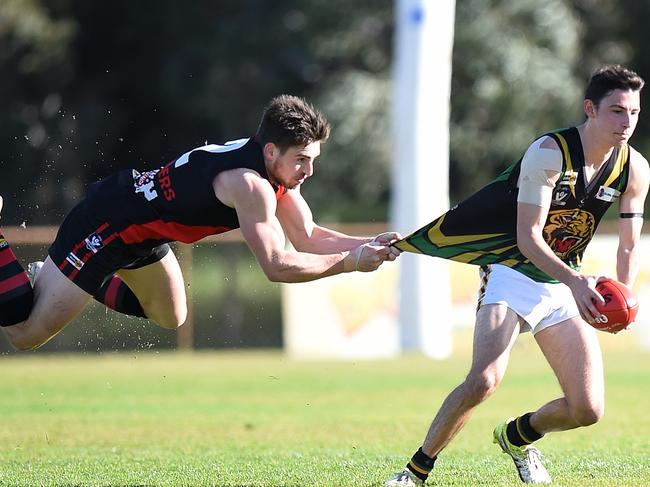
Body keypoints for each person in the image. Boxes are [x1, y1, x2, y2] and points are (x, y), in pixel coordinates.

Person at [385, 65, 649, 485]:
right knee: (483, 381)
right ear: (590, 109)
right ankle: (413, 472)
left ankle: (517, 436)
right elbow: (527, 238)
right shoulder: (550, 151)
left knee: (588, 410)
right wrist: (576, 282)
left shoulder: (634, 168)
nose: (627, 122)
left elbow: (630, 244)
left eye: (634, 112)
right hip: (512, 270)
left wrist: (624, 298)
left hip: (563, 281)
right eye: (617, 111)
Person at [0, 94, 401, 351]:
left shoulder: (275, 171)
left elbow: (308, 236)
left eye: (313, 160)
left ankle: (65, 277)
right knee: (25, 335)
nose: (309, 171)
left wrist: (369, 244)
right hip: (105, 224)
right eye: (302, 160)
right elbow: (277, 265)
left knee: (171, 315)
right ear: (273, 150)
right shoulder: (251, 186)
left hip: (142, 234)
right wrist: (352, 263)